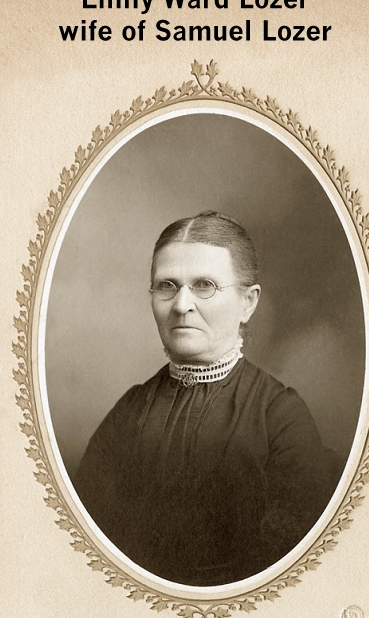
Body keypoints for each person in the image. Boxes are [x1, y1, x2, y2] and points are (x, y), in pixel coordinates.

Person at [75, 211, 340, 587]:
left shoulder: (279, 416)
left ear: (248, 302)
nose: (181, 304)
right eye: (167, 285)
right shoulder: (130, 411)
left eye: (204, 285)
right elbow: (85, 547)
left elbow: (302, 570)